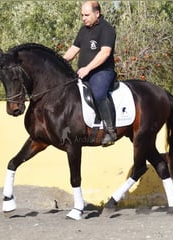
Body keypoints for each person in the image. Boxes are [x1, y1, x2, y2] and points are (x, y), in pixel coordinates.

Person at [64, 1, 117, 147]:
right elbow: (73, 50)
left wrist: (87, 68)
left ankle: (110, 131)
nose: (83, 18)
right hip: (83, 72)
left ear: (97, 13)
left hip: (102, 72)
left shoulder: (107, 29)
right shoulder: (83, 30)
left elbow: (105, 53)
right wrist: (59, 61)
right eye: (82, 15)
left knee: (99, 93)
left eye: (86, 15)